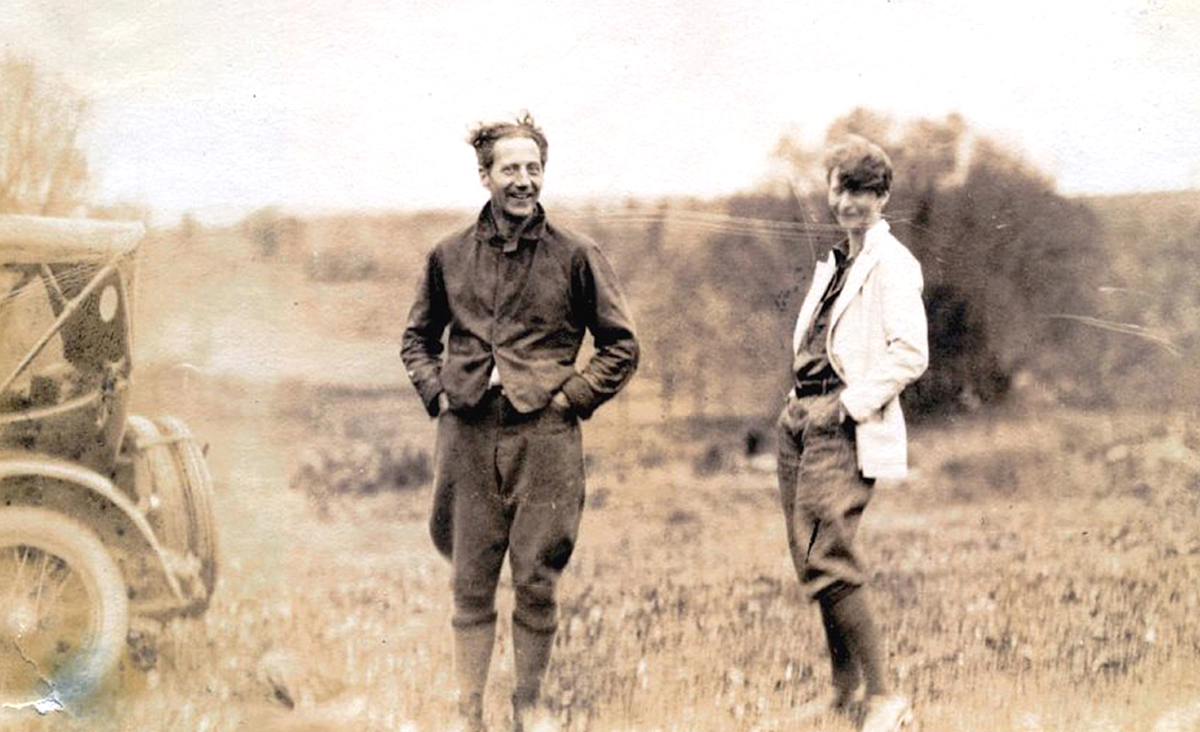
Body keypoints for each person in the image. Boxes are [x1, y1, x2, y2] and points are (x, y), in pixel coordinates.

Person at [401, 113, 639, 732]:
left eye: (533, 169)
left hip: (546, 436)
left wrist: (573, 398)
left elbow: (621, 345)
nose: (524, 181)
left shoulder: (577, 255)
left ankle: (528, 709)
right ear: (485, 176)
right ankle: (466, 713)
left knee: (536, 577)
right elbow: (416, 339)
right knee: (471, 579)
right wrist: (441, 394)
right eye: (510, 169)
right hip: (469, 433)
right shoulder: (448, 255)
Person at [776, 135, 928, 732]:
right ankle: (844, 692)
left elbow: (909, 354)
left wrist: (844, 407)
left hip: (842, 427)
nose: (849, 202)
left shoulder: (894, 264)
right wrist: (800, 407)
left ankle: (885, 697)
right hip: (799, 420)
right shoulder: (838, 261)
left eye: (863, 191)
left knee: (828, 554)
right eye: (841, 188)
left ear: (882, 196)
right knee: (810, 556)